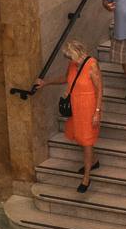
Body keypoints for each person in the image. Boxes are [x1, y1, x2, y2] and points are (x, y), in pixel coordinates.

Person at [40, 38, 101, 192]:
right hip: (76, 106)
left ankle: (86, 177)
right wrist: (46, 82)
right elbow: (65, 79)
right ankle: (93, 161)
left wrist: (97, 112)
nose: (69, 59)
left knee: (87, 141)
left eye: (70, 56)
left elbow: (100, 90)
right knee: (79, 137)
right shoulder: (73, 64)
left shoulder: (92, 65)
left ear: (78, 52)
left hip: (89, 107)